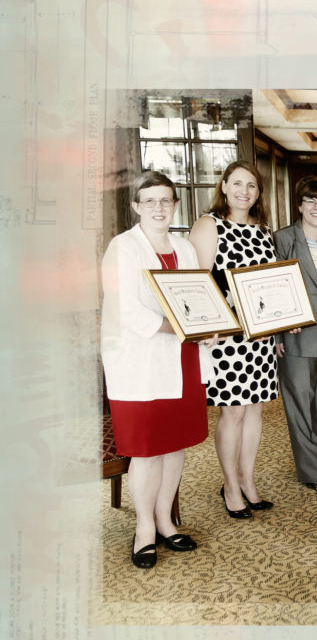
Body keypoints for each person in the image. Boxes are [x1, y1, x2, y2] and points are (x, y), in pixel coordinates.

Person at [101, 171, 213, 568]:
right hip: (140, 362)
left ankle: (167, 521)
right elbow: (127, 310)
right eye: (150, 201)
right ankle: (144, 528)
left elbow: (198, 296)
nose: (159, 207)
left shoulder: (184, 248)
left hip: (182, 358)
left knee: (175, 443)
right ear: (136, 206)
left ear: (176, 205)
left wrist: (206, 326)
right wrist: (182, 329)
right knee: (147, 450)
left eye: (166, 200)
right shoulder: (123, 248)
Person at [189, 161, 278, 517]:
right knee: (234, 413)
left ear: (258, 193)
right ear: (224, 186)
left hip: (260, 335)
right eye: (237, 183)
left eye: (252, 185)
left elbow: (270, 284)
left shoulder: (264, 230)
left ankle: (248, 481)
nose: (244, 191)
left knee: (255, 411)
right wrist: (208, 326)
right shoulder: (210, 225)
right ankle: (230, 486)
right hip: (226, 335)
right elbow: (197, 284)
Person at [272, 176, 317, 494]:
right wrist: (275, 334)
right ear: (300, 205)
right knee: (300, 403)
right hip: (298, 335)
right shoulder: (283, 239)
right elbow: (273, 286)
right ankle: (313, 472)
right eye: (311, 201)